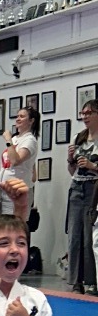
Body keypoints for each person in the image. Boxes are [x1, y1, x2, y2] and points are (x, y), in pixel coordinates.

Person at [66, 99, 98, 291]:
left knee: (90, 237)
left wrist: (93, 166)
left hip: (94, 189)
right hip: (77, 187)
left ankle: (91, 281)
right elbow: (72, 170)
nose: (85, 117)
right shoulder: (79, 137)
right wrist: (70, 159)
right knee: (74, 235)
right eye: (83, 113)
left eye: (89, 113)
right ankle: (76, 281)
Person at [0, 104, 39, 218]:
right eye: (17, 116)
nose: (18, 119)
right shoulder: (15, 139)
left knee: (14, 223)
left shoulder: (30, 140)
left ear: (31, 121)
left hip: (17, 192)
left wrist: (8, 140)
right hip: (4, 189)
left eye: (22, 116)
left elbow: (15, 160)